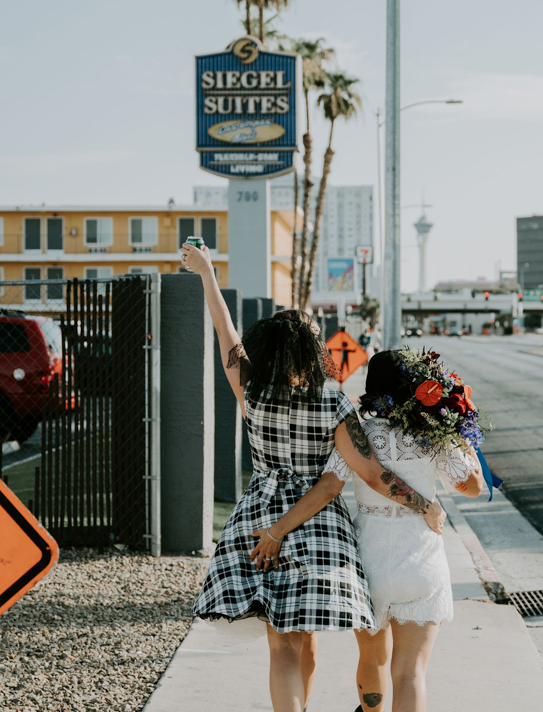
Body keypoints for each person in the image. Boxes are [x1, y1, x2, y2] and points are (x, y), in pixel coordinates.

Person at [181, 243, 444, 712]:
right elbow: (371, 472)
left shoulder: (252, 393)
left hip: (258, 517)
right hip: (316, 524)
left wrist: (206, 274)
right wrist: (423, 505)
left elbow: (225, 332)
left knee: (283, 646)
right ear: (311, 350)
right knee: (304, 638)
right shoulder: (333, 405)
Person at [258, 349, 486, 712]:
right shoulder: (432, 435)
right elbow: (472, 486)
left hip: (369, 561)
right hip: (421, 559)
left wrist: (278, 529)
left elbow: (328, 486)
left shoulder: (357, 434)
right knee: (410, 673)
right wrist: (460, 432)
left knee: (373, 660)